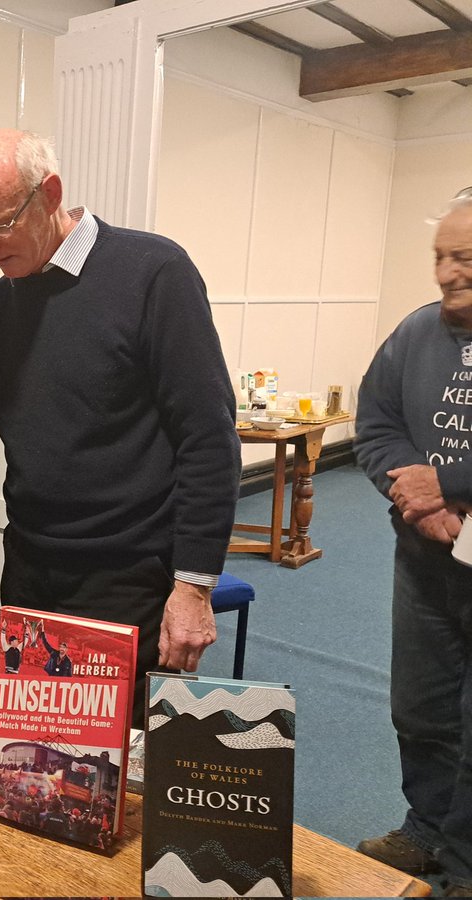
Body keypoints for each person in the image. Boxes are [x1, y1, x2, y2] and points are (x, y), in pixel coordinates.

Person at [0, 129, 241, 722]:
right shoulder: (4, 303)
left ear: (50, 193)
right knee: (29, 760)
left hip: (128, 572)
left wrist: (194, 586)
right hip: (31, 567)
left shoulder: (154, 273)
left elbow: (208, 438)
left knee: (114, 763)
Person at [352, 187, 472, 897]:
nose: (448, 273)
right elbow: (378, 424)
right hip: (426, 563)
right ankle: (426, 832)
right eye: (440, 257)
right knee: (421, 708)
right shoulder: (415, 334)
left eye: (466, 258)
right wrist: (409, 494)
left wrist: (450, 479)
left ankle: (464, 866)